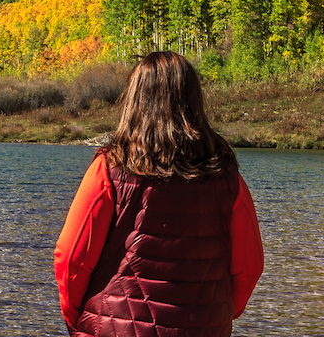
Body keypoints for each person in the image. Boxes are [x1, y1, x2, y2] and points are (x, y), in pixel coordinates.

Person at [53, 52, 264, 337]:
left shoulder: (110, 168)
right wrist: (217, 314)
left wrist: (76, 318)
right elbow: (249, 267)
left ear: (135, 101)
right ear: (194, 100)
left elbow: (71, 258)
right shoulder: (226, 176)